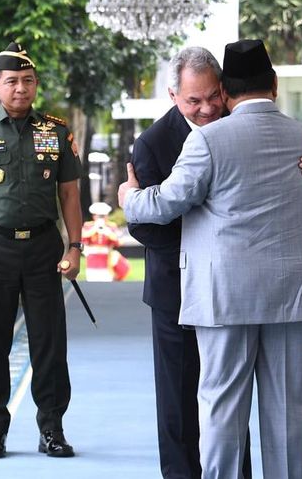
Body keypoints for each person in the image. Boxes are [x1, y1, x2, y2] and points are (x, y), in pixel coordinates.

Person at [121, 39, 302, 479]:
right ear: (274, 84)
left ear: (227, 92)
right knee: (290, 412)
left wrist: (129, 197)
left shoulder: (211, 140)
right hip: (293, 295)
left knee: (221, 410)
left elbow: (163, 204)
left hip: (225, 297)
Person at [0, 41, 82, 459]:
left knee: (49, 341)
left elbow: (70, 196)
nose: (20, 88)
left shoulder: (56, 132)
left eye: (27, 81)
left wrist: (75, 248)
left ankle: (52, 429)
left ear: (36, 84)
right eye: (12, 81)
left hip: (43, 246)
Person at [127, 45, 250, 479]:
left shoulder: (239, 128)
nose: (205, 109)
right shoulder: (152, 143)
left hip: (231, 286)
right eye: (193, 100)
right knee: (179, 398)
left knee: (230, 395)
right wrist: (207, 228)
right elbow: (144, 226)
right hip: (173, 290)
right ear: (173, 95)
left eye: (213, 96)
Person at [83, 202, 128, 282]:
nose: (101, 218)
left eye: (103, 216)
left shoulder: (111, 226)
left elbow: (119, 242)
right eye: (99, 216)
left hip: (106, 259)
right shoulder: (88, 226)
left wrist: (108, 232)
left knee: (106, 281)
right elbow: (83, 238)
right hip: (92, 258)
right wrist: (95, 228)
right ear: (94, 216)